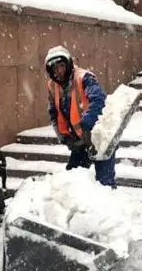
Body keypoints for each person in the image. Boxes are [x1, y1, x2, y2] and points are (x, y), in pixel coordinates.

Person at [45, 45, 116, 187]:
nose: (59, 71)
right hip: (79, 140)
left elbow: (99, 100)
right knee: (72, 182)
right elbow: (53, 112)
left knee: (104, 183)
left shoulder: (84, 78)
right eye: (55, 68)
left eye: (61, 66)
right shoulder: (52, 85)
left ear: (68, 64)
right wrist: (62, 135)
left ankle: (110, 197)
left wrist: (86, 124)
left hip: (99, 135)